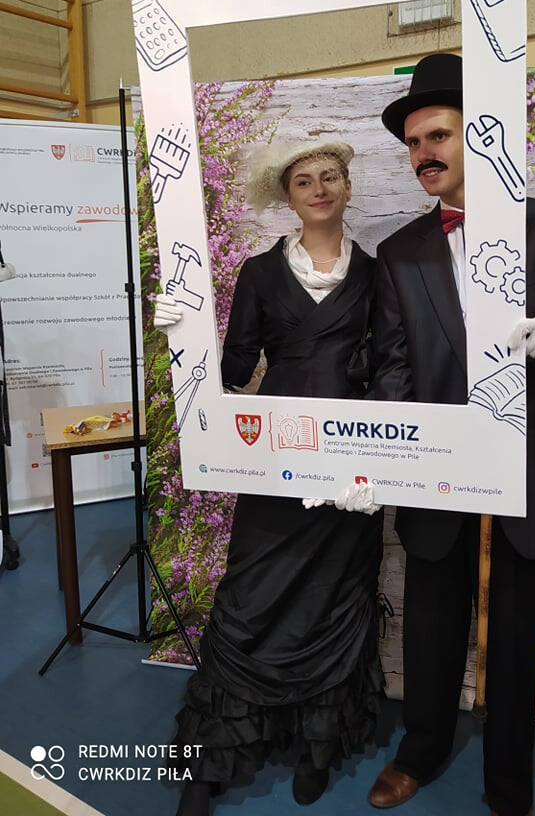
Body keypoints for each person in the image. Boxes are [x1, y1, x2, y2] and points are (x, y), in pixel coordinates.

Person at [365, 54, 535, 816]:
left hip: (525, 471)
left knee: (514, 634)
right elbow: (392, 371)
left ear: (476, 135)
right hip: (436, 471)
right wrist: (382, 460)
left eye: (437, 136)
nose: (424, 155)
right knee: (431, 625)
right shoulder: (399, 253)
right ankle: (421, 750)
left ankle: (509, 781)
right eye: (413, 143)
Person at [154, 139, 383, 816]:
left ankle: (317, 748)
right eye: (304, 181)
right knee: (251, 595)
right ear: (288, 197)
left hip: (350, 464)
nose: (319, 188)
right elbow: (231, 370)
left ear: (347, 187)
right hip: (274, 458)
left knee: (333, 597)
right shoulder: (257, 272)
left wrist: (377, 465)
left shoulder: (380, 275)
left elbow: (393, 370)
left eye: (330, 177)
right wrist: (181, 339)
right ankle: (210, 762)